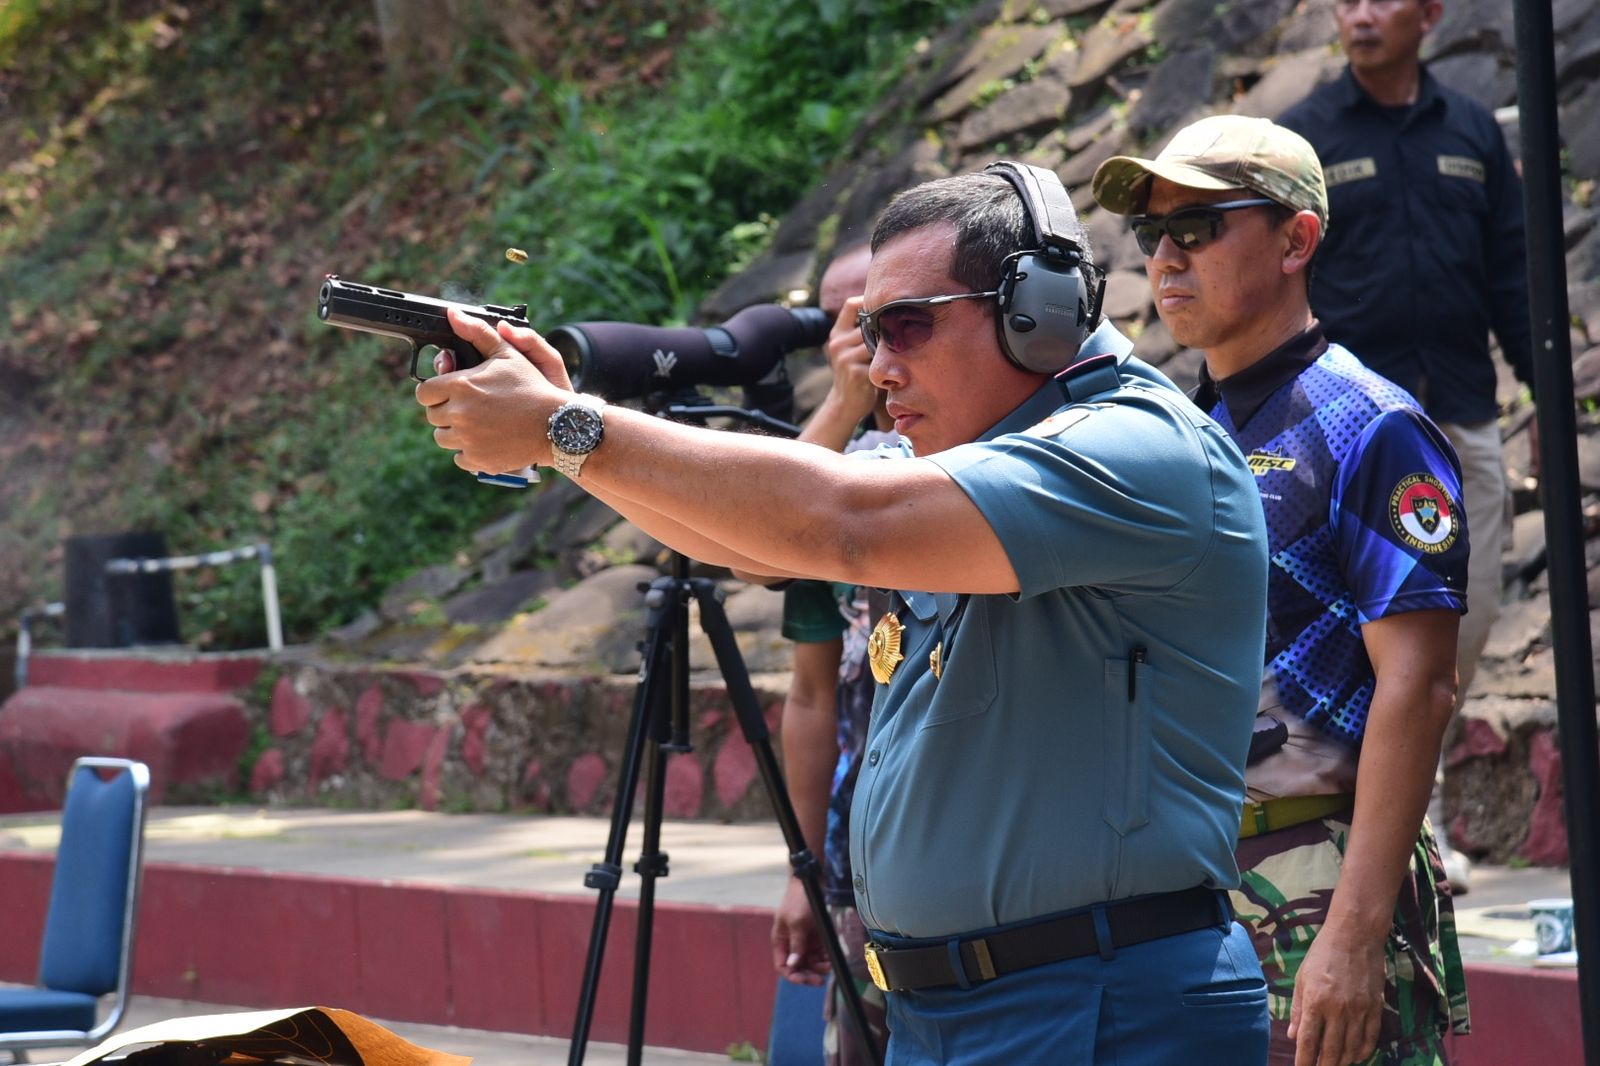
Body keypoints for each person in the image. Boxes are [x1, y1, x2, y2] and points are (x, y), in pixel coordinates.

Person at [417, 165, 1273, 1063]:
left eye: (906, 325)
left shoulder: (1135, 448)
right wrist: (567, 443)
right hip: (955, 1009)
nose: (879, 363)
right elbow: (751, 547)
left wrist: (569, 427)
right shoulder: (969, 452)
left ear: (1039, 312)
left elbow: (842, 525)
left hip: (1096, 1006)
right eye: (866, 331)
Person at [1093, 113, 1473, 1066]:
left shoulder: (1372, 427)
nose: (1166, 259)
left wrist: (1352, 934)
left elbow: (1419, 687)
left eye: (1199, 227)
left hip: (1320, 871)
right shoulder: (1181, 426)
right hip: (1190, 876)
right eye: (1152, 235)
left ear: (1296, 240)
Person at [1277, 0, 1532, 741]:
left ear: (1428, 14)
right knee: (1355, 622)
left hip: (1459, 412)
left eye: (1380, 0)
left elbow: (1514, 279)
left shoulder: (1472, 129)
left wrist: (1545, 402)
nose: (1360, 15)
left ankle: (1421, 781)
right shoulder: (1305, 137)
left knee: (1470, 607)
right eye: (1345, 2)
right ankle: (1376, 805)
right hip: (1342, 435)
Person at [762, 241, 894, 1064]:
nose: (861, 336)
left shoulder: (982, 448)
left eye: (879, 313)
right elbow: (812, 701)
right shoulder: (825, 465)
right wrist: (801, 870)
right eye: (840, 320)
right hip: (856, 860)